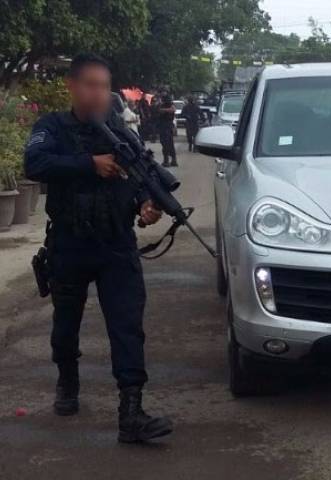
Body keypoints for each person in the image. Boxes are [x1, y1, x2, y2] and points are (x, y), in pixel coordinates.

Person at [23, 53, 173, 443]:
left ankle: (131, 411)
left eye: (104, 86)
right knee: (65, 326)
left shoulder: (122, 134)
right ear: (72, 86)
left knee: (127, 328)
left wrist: (147, 206)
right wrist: (89, 164)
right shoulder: (52, 127)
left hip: (116, 245)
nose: (98, 93)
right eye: (90, 85)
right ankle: (67, 381)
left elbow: (140, 179)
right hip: (70, 244)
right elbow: (34, 164)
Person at [157, 91, 177, 167]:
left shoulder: (164, 105)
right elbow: (172, 110)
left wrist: (164, 110)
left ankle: (167, 161)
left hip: (164, 126)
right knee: (170, 143)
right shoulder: (169, 105)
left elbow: (172, 110)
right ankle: (173, 160)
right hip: (167, 126)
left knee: (165, 144)